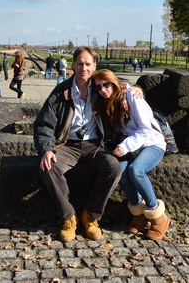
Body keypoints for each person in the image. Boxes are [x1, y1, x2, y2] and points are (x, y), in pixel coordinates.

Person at [34, 47, 122, 242]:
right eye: (80, 63)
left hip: (95, 145)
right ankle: (69, 217)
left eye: (88, 64)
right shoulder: (61, 92)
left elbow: (121, 87)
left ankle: (91, 215)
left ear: (94, 66)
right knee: (48, 167)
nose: (84, 68)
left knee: (113, 168)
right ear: (73, 64)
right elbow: (44, 124)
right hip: (67, 144)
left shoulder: (101, 88)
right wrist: (47, 149)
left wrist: (137, 89)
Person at [91, 69, 172, 241]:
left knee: (136, 171)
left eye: (106, 85)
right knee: (120, 171)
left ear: (113, 82)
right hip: (132, 147)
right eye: (98, 87)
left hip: (152, 143)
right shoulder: (107, 102)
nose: (103, 90)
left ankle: (158, 215)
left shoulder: (132, 96)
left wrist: (125, 146)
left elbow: (145, 129)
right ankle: (139, 213)